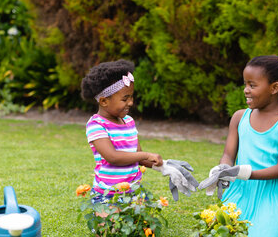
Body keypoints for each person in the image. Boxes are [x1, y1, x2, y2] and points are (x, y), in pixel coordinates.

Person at [199, 49, 278, 237]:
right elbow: (228, 154)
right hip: (241, 191)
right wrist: (223, 169)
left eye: (252, 85)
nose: (246, 90)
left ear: (274, 88)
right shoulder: (239, 117)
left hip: (271, 194)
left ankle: (271, 226)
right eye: (245, 84)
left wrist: (245, 172)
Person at [81, 59, 198, 203]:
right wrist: (147, 154)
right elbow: (113, 157)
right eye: (125, 99)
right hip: (108, 195)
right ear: (104, 101)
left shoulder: (129, 121)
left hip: (134, 193)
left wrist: (164, 167)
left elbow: (138, 158)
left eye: (131, 96)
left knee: (144, 224)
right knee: (112, 226)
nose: (131, 102)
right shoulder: (96, 125)